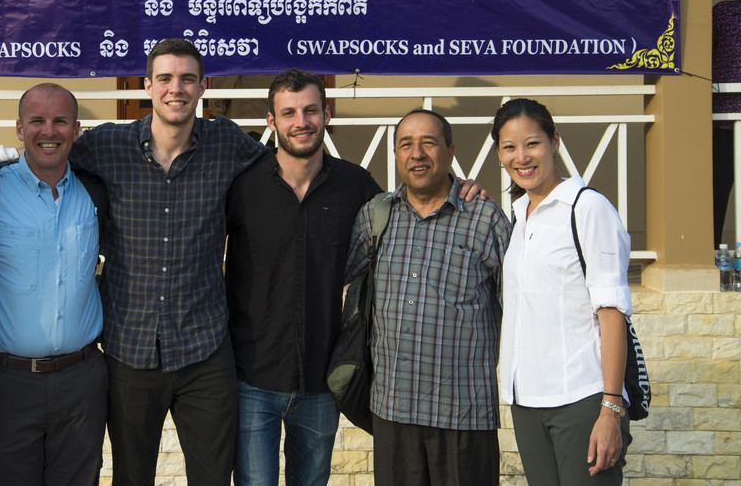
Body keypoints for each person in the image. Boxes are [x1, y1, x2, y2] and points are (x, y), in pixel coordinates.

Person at [69, 38, 268, 485]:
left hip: (205, 348)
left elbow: (288, 173)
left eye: (186, 79)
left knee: (214, 477)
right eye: (164, 78)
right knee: (131, 478)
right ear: (147, 85)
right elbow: (45, 157)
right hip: (128, 349)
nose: (175, 89)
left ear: (203, 87)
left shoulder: (227, 142)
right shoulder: (107, 146)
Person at [225, 69, 382, 486]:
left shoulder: (356, 186)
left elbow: (405, 223)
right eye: (289, 113)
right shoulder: (241, 185)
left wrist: (460, 191)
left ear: (326, 114)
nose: (301, 122)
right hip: (251, 375)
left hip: (320, 376)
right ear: (271, 121)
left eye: (311, 110)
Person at [345, 109, 509, 486]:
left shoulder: (484, 219)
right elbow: (332, 273)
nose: (417, 153)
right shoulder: (376, 216)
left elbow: (522, 306)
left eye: (429, 143)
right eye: (406, 144)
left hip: (464, 413)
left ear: (450, 151)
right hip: (393, 411)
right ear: (396, 155)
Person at [0, 83, 109, 486]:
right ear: (18, 128)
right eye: (37, 121)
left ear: (77, 130)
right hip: (5, 384)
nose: (49, 131)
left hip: (81, 382)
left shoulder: (96, 192)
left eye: (60, 121)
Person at [491, 98, 632, 485]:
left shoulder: (588, 209)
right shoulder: (519, 218)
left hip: (581, 399)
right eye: (509, 147)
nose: (522, 157)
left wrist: (610, 409)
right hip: (527, 400)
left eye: (532, 143)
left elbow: (612, 312)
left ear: (555, 141)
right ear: (499, 155)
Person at [712, 0, 741, 246]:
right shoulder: (724, 12)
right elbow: (702, 57)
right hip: (724, 121)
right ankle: (713, 257)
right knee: (717, 193)